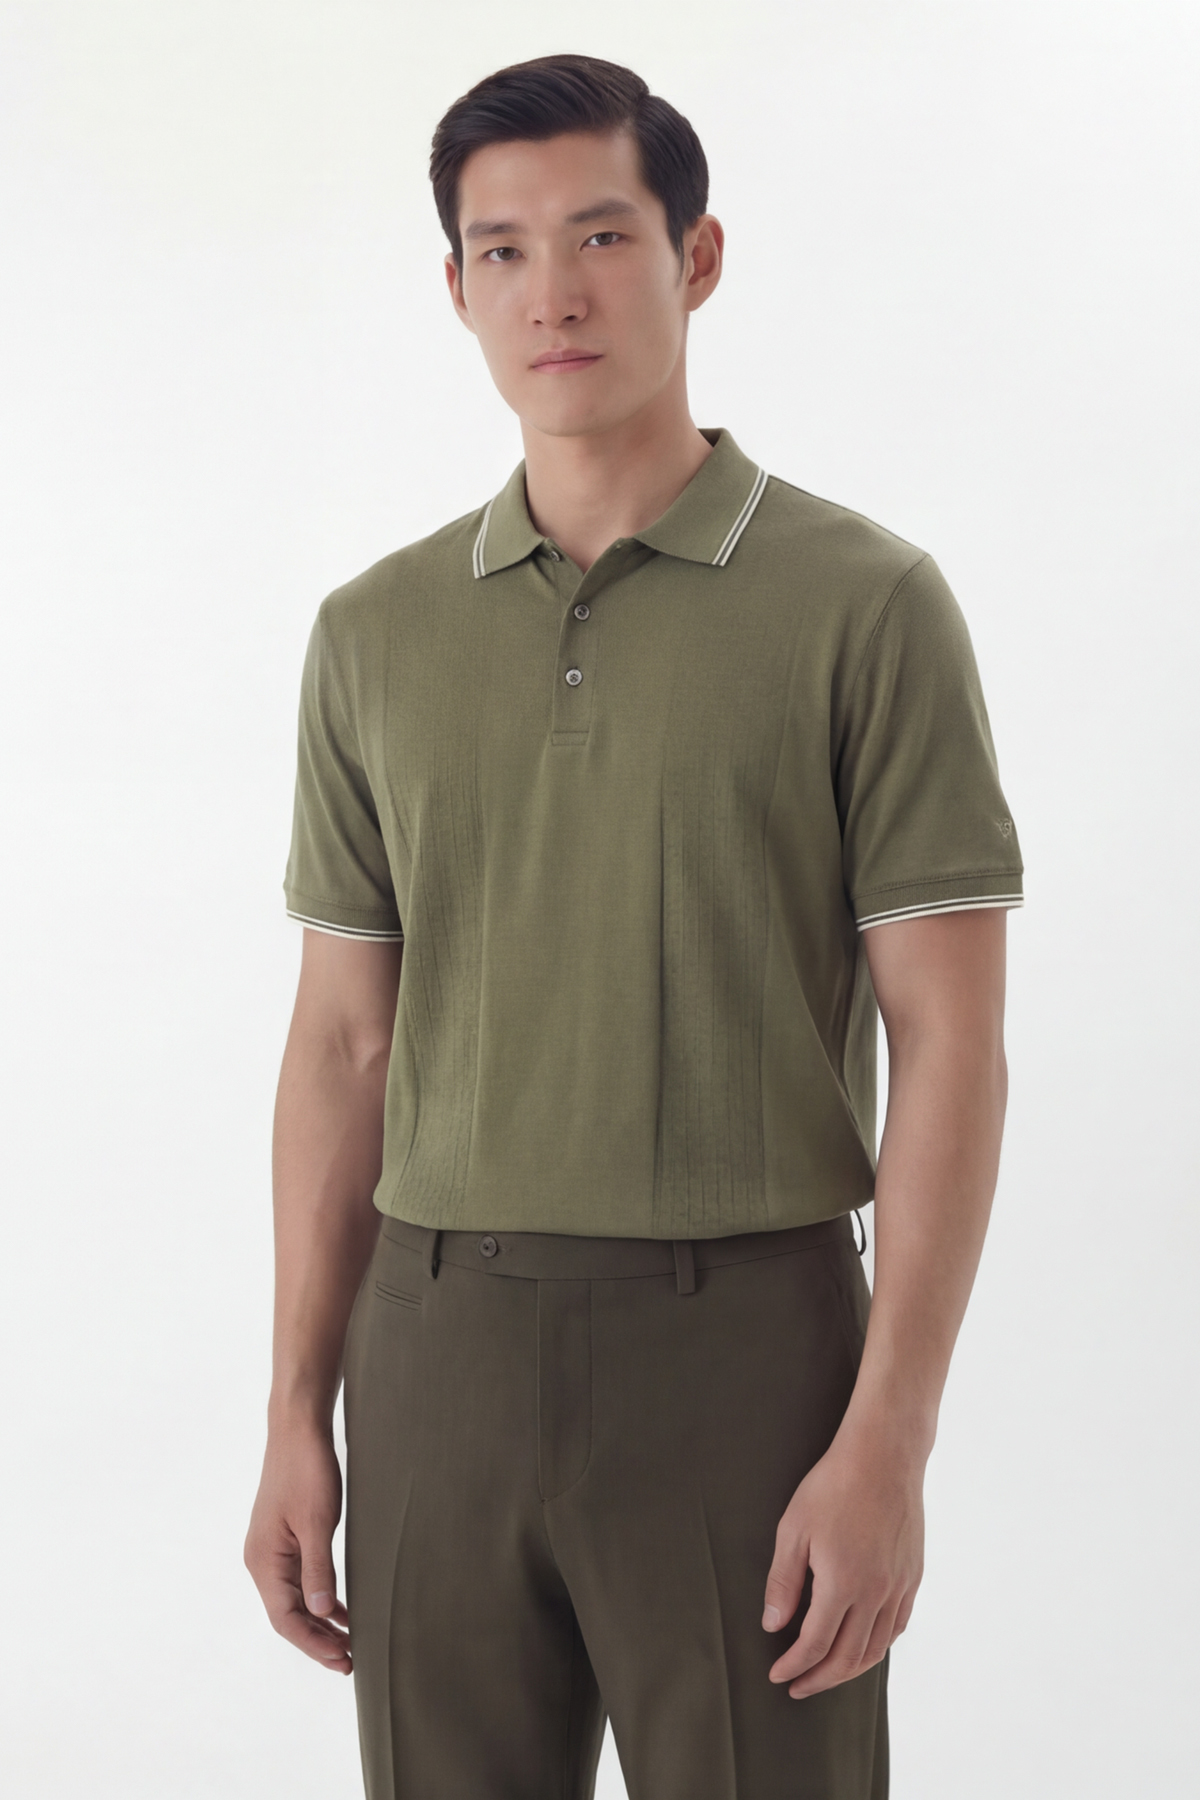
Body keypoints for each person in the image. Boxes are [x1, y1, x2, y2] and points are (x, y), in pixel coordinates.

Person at [244, 52, 1023, 1800]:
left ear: (699, 256)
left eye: (602, 234)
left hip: (746, 1354)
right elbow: (344, 1044)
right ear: (457, 289)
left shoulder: (867, 606)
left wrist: (891, 1439)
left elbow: (951, 1040)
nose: (554, 292)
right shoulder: (373, 633)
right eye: (502, 251)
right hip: (433, 1353)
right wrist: (296, 1408)